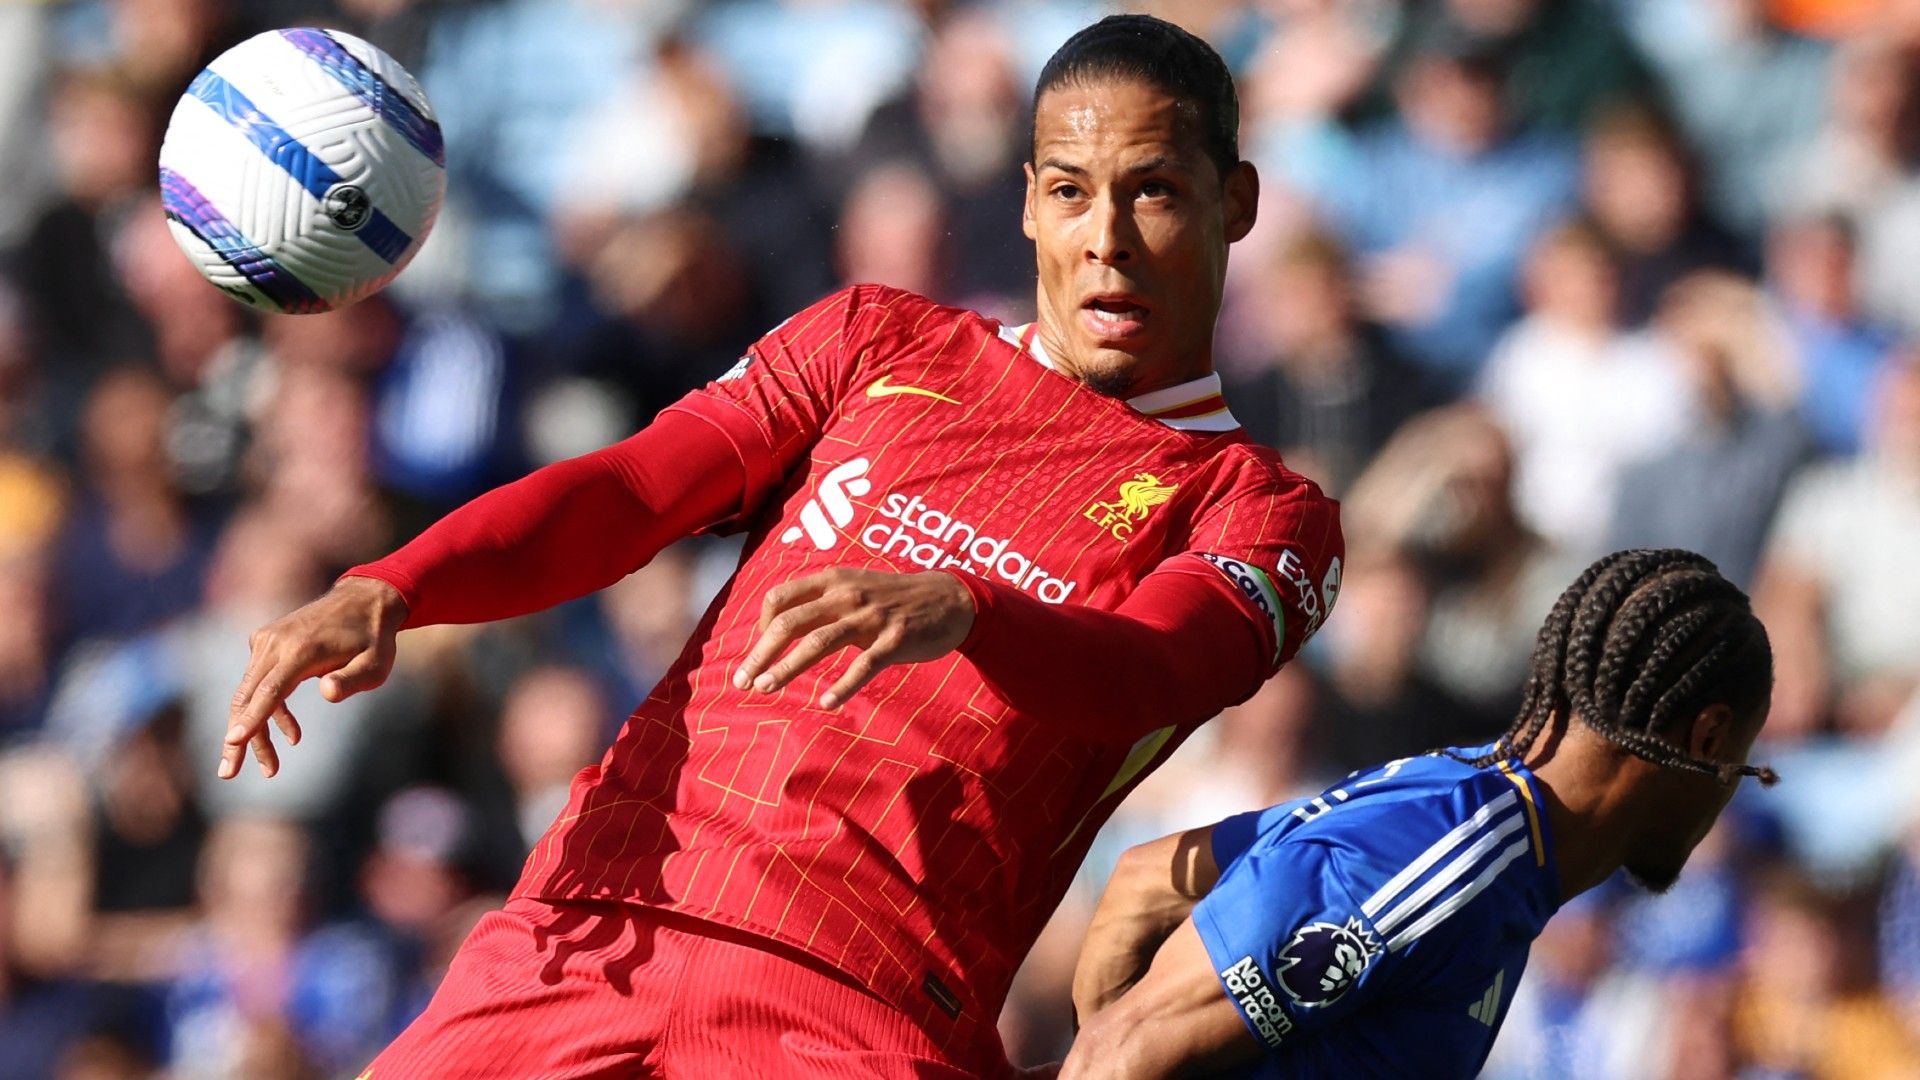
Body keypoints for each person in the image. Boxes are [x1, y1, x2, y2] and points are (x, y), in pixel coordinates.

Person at [216, 15, 1343, 1079]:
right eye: (1069, 191)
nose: (1106, 239)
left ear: (1235, 201)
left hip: (861, 996)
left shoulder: (1260, 509)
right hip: (596, 918)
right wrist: (396, 584)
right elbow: (633, 489)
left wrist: (970, 610)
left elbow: (1151, 668)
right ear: (1027, 205)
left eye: (1155, 191)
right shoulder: (875, 340)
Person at [1062, 548, 1776, 1079]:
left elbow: (1148, 881)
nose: (1730, 794)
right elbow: (1121, 1054)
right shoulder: (1448, 860)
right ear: (1708, 738)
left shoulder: (1464, 809)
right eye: (1745, 765)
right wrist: (1098, 1046)